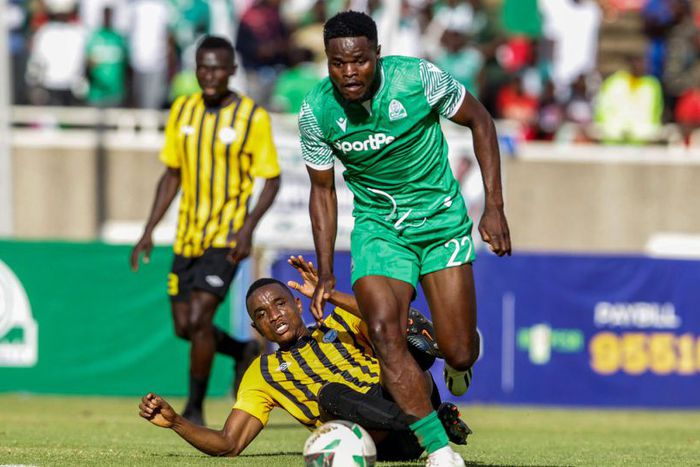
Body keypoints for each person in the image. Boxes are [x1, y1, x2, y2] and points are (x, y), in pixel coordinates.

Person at [298, 11, 511, 467]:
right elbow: (322, 192)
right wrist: (326, 270)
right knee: (382, 330)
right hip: (380, 230)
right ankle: (439, 450)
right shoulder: (316, 111)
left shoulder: (418, 79)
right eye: (338, 63)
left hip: (440, 224)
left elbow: (481, 121)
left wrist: (494, 206)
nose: (349, 72)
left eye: (359, 60)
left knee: (457, 350)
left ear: (377, 54)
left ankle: (459, 356)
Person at [138, 256, 471, 461]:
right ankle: (431, 423)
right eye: (262, 314)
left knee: (398, 339)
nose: (274, 316)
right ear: (256, 328)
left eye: (280, 304)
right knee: (329, 395)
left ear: (298, 304)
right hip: (380, 441)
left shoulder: (338, 322)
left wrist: (330, 296)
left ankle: (455, 366)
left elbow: (390, 319)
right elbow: (229, 443)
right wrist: (176, 422)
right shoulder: (263, 373)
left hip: (411, 396)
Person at [130, 35, 281, 426]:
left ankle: (194, 408)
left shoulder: (252, 117)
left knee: (199, 318)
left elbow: (272, 179)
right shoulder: (183, 110)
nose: (210, 75)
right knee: (184, 327)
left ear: (232, 70)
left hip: (225, 238)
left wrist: (247, 228)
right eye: (203, 68)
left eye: (217, 68)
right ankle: (242, 350)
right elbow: (172, 174)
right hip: (187, 237)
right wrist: (148, 229)